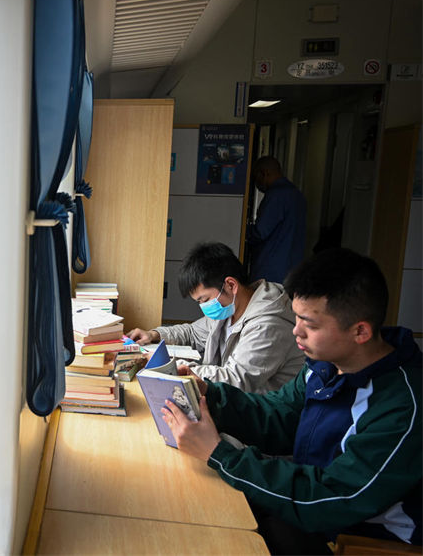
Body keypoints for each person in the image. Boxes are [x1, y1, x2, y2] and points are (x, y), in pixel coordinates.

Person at [162, 248, 422, 554]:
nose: (296, 331)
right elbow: (278, 415)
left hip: (357, 538)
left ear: (360, 331)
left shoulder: (402, 406)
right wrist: (211, 395)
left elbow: (334, 497)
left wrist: (219, 455)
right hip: (308, 508)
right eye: (296, 318)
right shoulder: (324, 366)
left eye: (310, 325)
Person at [126, 242, 303, 393]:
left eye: (205, 299)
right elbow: (192, 333)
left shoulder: (268, 324)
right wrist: (154, 335)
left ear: (230, 285)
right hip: (229, 402)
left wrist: (168, 365)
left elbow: (235, 379)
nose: (203, 307)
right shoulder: (231, 307)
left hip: (258, 418)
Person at [246, 156, 306, 283]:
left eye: (256, 179)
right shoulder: (296, 194)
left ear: (264, 173)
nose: (257, 185)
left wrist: (242, 230)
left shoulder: (276, 195)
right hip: (292, 269)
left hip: (271, 270)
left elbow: (260, 232)